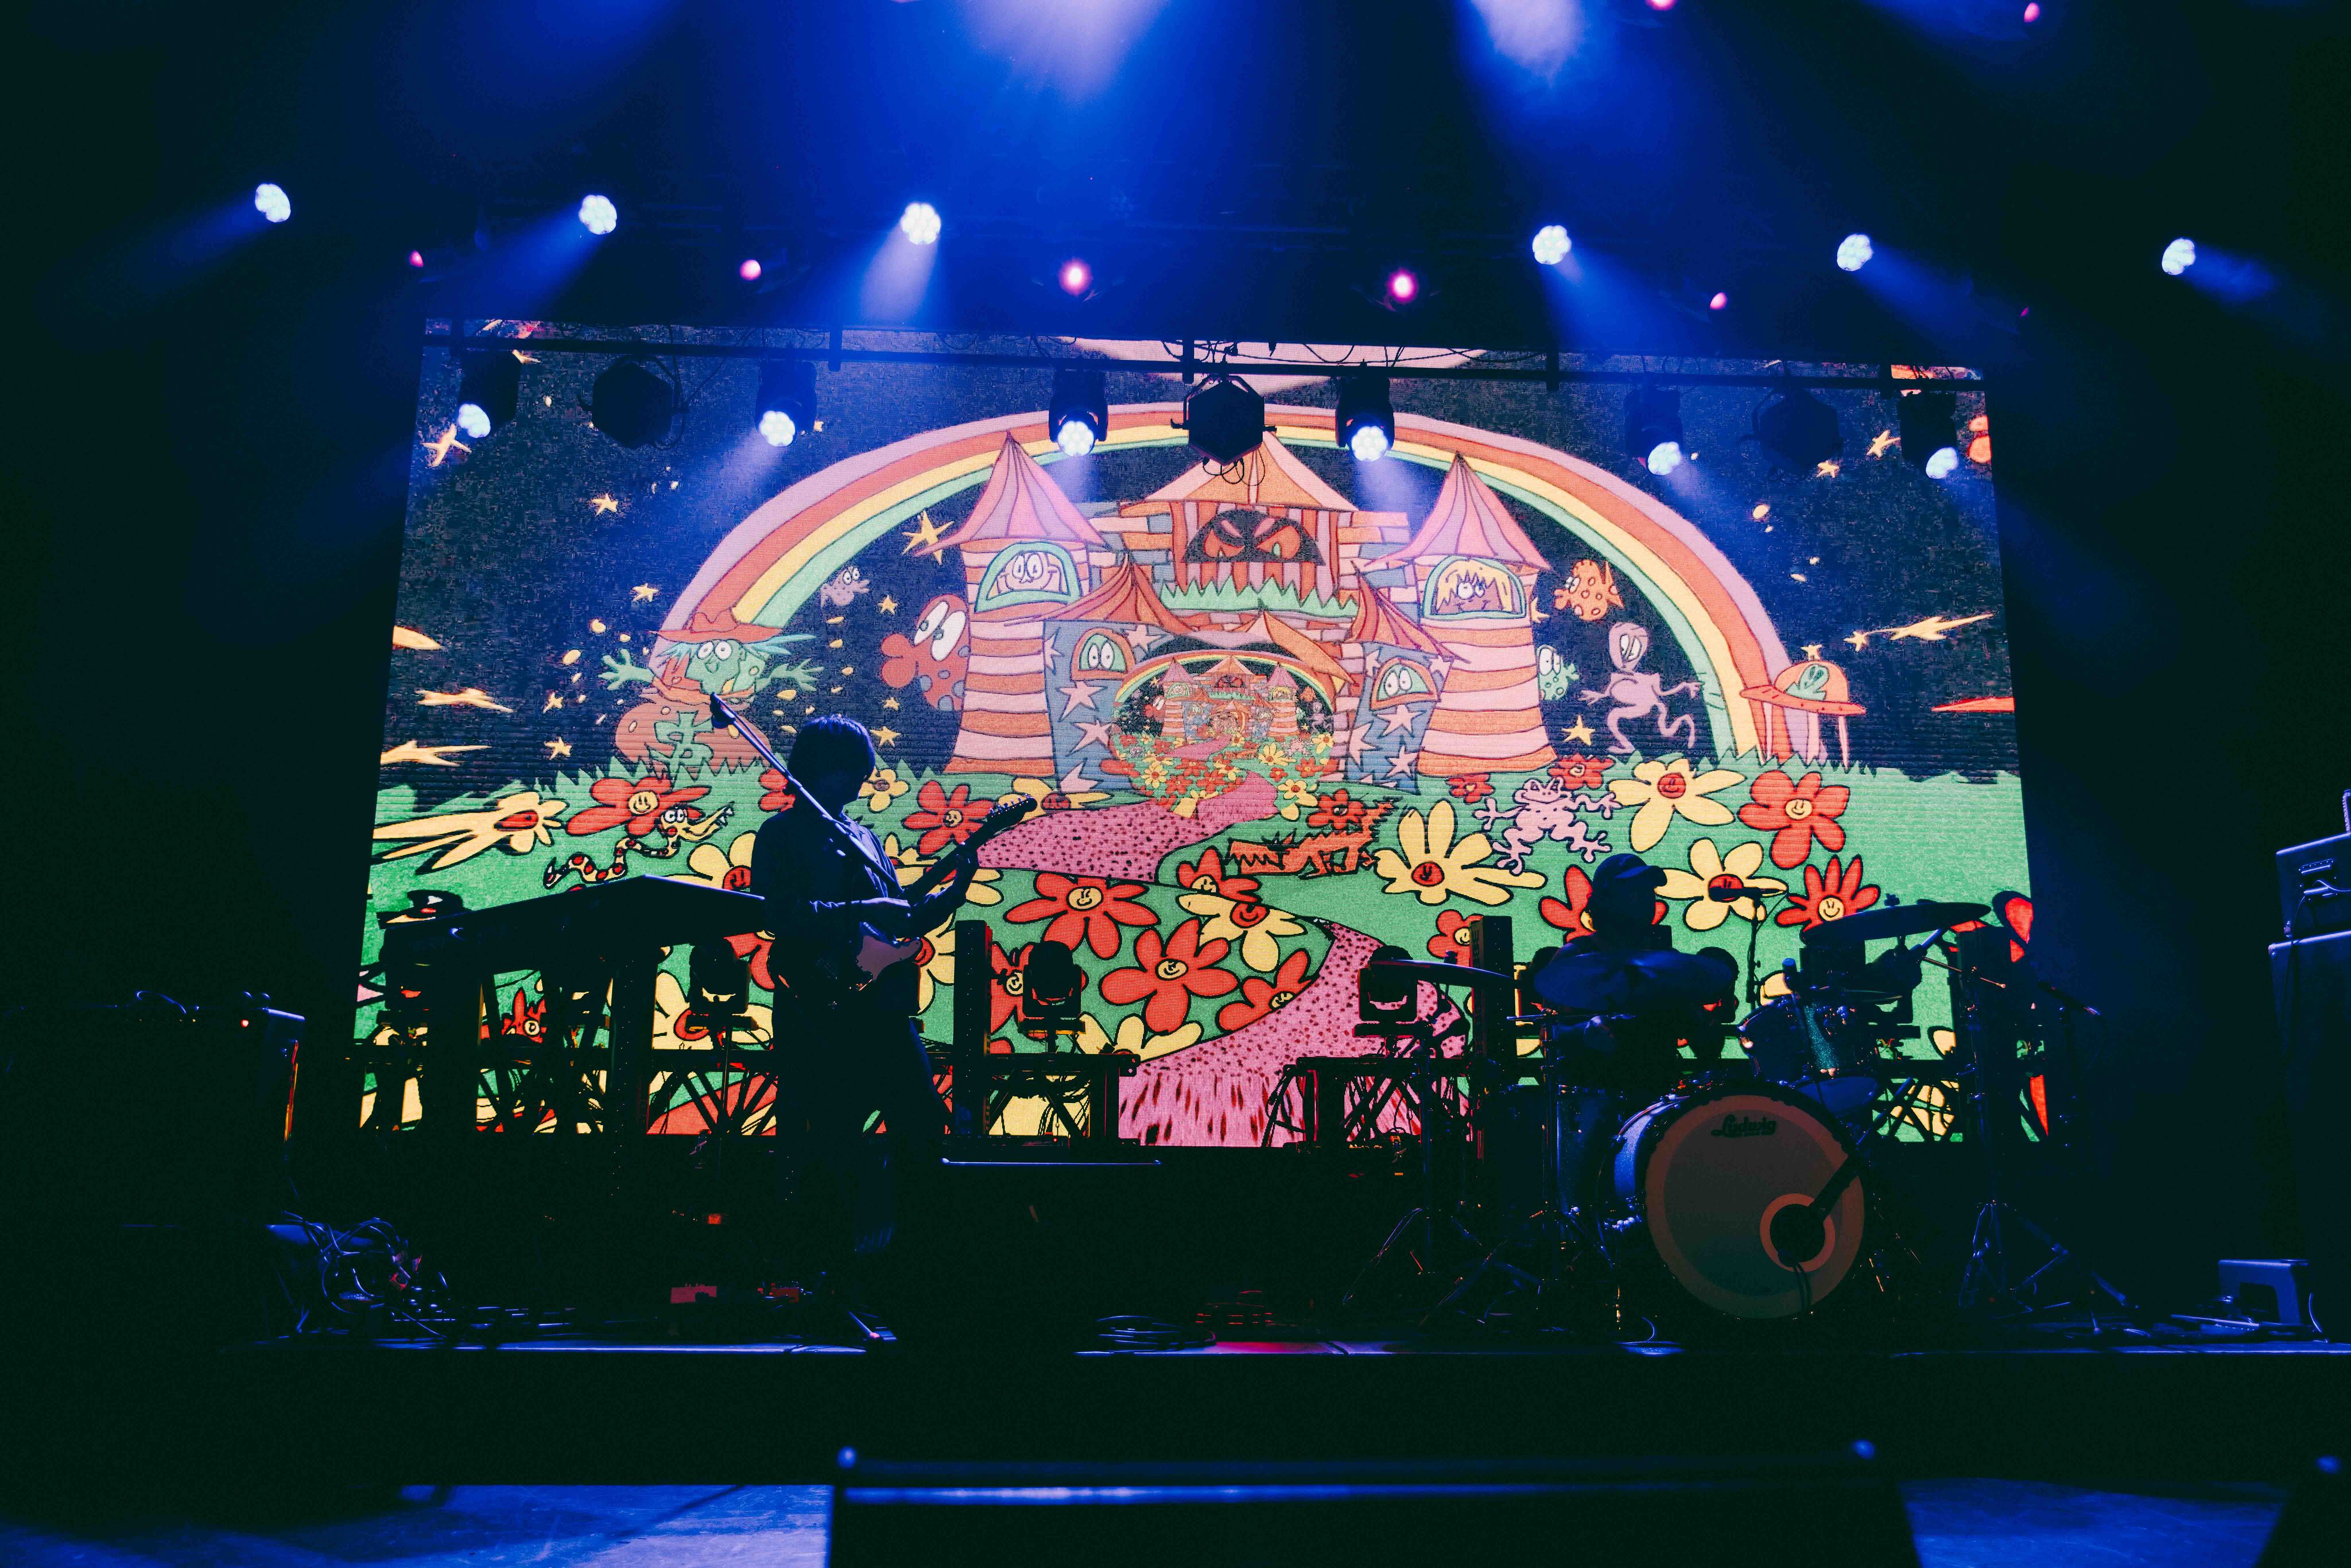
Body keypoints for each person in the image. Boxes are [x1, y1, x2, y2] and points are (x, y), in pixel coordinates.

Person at [750, 715, 973, 1300]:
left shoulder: (864, 837)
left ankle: (909, 1262)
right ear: (820, 767)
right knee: (832, 1138)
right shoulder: (780, 834)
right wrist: (862, 909)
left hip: (883, 1008)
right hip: (817, 1006)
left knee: (921, 1125)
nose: (862, 776)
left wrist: (952, 893)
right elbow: (778, 915)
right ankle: (829, 1272)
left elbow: (901, 919)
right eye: (852, 766)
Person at [1535, 852, 1736, 1213]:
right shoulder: (1577, 956)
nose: (1647, 901)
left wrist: (1710, 1023)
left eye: (1650, 893)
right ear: (1606, 900)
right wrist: (1585, 1031)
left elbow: (1705, 1046)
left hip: (1660, 1101)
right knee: (1588, 1204)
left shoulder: (1667, 963)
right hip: (1594, 1099)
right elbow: (1549, 1036)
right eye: (1635, 893)